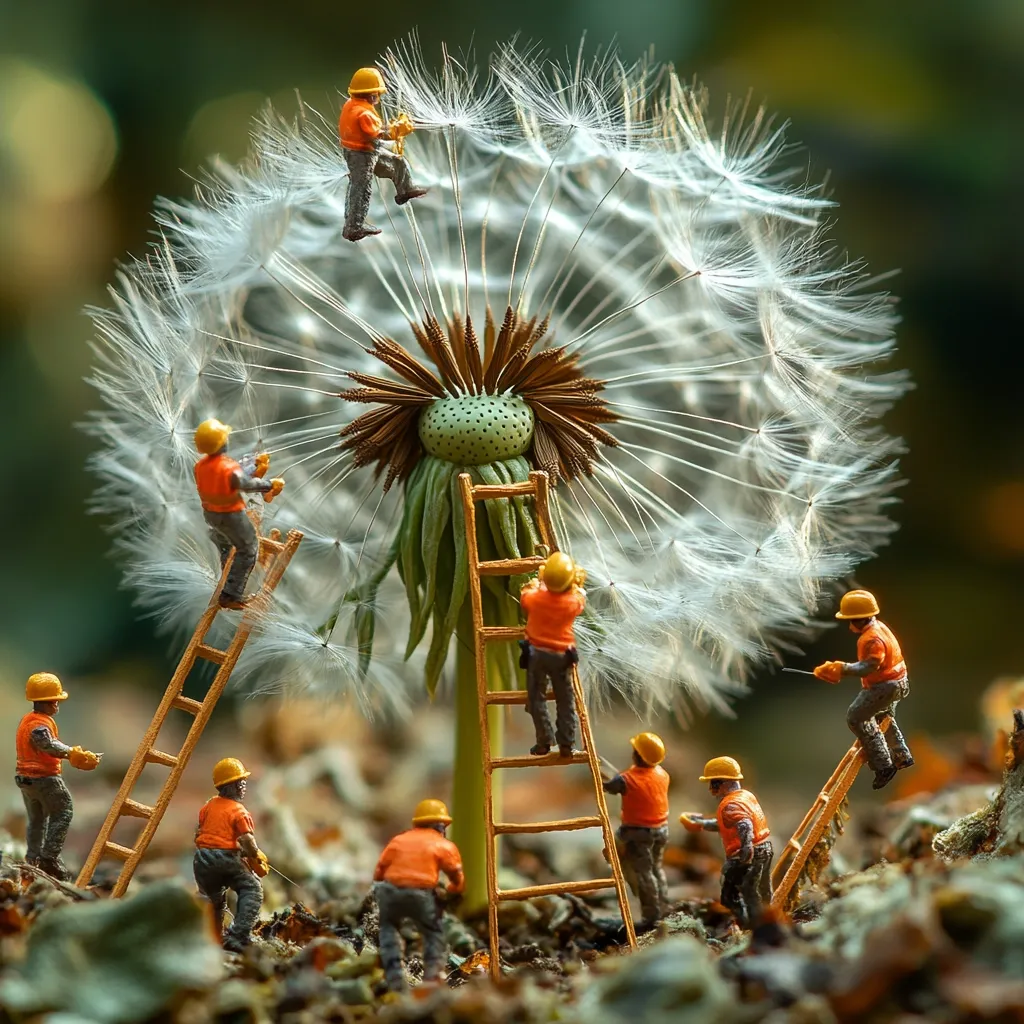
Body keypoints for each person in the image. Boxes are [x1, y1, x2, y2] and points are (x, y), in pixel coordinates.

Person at [814, 589, 914, 790]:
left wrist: (841, 668)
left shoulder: (871, 639)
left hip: (886, 685)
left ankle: (883, 765)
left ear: (860, 618)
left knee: (856, 717)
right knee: (882, 714)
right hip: (900, 680)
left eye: (851, 620)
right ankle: (902, 755)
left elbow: (870, 667)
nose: (850, 626)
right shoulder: (880, 628)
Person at [15, 673, 100, 880]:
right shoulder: (38, 725)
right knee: (64, 811)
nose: (57, 705)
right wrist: (72, 753)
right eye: (54, 701)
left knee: (37, 820)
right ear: (43, 702)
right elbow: (48, 745)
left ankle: (33, 858)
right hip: (44, 778)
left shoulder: (30, 720)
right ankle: (49, 858)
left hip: (25, 779)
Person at [373, 799, 464, 992]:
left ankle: (394, 975)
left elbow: (380, 870)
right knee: (433, 932)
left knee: (388, 928)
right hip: (421, 895)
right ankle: (432, 978)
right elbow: (456, 875)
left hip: (391, 891)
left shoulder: (399, 840)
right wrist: (453, 890)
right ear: (441, 826)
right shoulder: (443, 844)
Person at [193, 418, 284, 609]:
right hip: (230, 515)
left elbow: (231, 478)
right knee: (248, 549)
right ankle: (231, 595)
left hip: (210, 514)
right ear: (222, 443)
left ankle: (227, 576)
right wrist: (270, 484)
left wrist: (255, 463)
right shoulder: (227, 467)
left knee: (227, 546)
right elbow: (246, 484)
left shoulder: (200, 466)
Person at [680, 756, 773, 929]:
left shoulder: (730, 805)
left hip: (746, 854)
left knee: (735, 895)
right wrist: (701, 824)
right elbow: (726, 824)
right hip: (765, 847)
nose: (710, 789)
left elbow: (744, 824)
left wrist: (746, 849)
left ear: (725, 782)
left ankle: (751, 927)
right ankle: (771, 916)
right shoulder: (745, 796)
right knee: (763, 889)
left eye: (714, 783)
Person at [339, 67, 428, 242]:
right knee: (361, 188)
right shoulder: (363, 112)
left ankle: (405, 190)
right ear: (371, 93)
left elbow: (374, 131)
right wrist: (398, 130)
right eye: (377, 93)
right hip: (361, 155)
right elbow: (378, 134)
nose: (378, 97)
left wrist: (393, 127)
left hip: (366, 151)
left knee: (397, 162)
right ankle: (354, 227)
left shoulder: (352, 104)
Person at [193, 758, 268, 953]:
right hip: (225, 859)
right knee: (252, 889)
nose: (244, 786)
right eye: (241, 783)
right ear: (232, 785)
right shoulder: (239, 811)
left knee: (212, 899)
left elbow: (199, 833)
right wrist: (254, 855)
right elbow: (247, 841)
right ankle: (237, 937)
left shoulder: (208, 806)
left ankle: (208, 938)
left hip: (201, 859)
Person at [519, 551, 586, 758]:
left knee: (536, 699)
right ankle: (566, 743)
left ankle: (544, 741)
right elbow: (580, 597)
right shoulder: (572, 604)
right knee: (565, 700)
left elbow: (525, 594)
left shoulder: (534, 599)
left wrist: (537, 582)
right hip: (561, 655)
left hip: (537, 654)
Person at [602, 732, 671, 927]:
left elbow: (610, 786)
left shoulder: (627, 779)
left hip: (638, 832)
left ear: (637, 755)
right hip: (661, 830)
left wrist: (600, 776)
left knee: (644, 873)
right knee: (657, 869)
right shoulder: (662, 774)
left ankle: (651, 916)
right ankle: (664, 907)